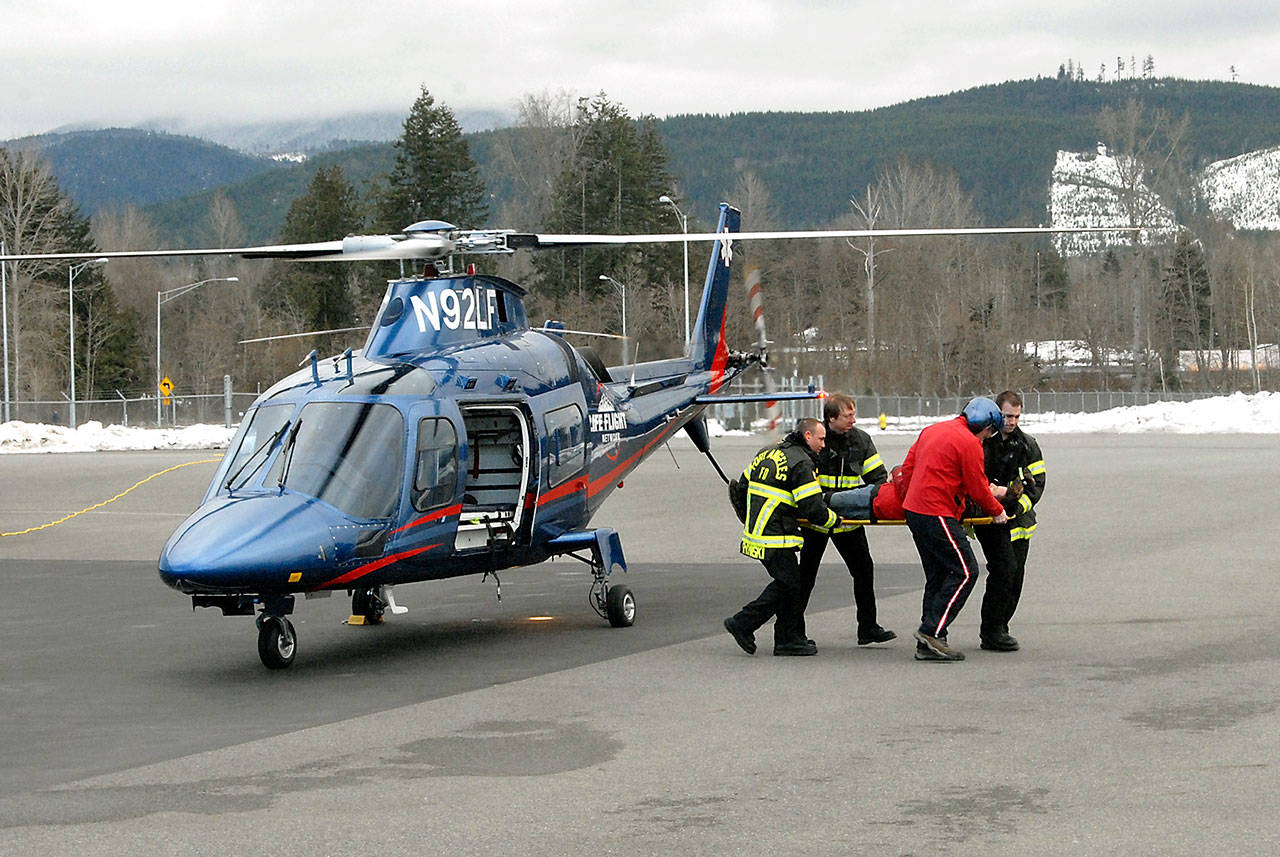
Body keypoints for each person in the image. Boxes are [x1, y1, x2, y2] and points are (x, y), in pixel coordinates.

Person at [897, 397, 1009, 662]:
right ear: (986, 426)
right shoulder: (970, 443)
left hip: (916, 510)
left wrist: (909, 498)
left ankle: (929, 643)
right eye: (989, 432)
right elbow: (977, 486)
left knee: (938, 574)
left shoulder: (932, 430)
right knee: (966, 571)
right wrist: (997, 510)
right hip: (937, 511)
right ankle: (932, 632)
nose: (987, 437)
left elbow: (908, 468)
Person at [724, 418, 840, 656]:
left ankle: (789, 639)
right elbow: (812, 507)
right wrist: (834, 521)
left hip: (757, 532)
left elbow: (741, 487)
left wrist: (751, 517)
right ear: (807, 436)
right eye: (821, 439)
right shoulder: (801, 463)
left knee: (792, 586)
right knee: (788, 585)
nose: (824, 445)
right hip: (776, 536)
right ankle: (743, 623)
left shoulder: (769, 453)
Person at [797, 393, 896, 646]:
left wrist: (857, 501)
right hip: (817, 519)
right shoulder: (816, 440)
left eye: (854, 414)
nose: (853, 419)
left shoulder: (861, 440)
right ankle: (794, 631)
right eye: (847, 415)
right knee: (805, 577)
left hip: (847, 520)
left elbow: (878, 479)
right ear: (831, 418)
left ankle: (868, 627)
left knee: (864, 571)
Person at [974, 390, 1046, 652]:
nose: (1011, 421)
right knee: (1002, 571)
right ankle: (991, 629)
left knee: (1015, 575)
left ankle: (1001, 626)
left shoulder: (1028, 445)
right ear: (996, 413)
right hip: (991, 519)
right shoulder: (983, 443)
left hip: (1020, 522)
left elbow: (1037, 484)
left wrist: (1019, 505)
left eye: (1016, 416)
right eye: (1007, 415)